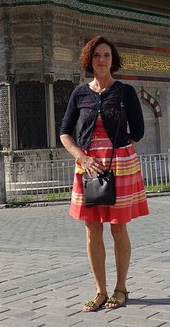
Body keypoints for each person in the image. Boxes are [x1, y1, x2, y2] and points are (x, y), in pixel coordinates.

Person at [59, 36, 148, 312]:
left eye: (107, 55)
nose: (102, 60)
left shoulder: (124, 92)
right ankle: (100, 291)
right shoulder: (80, 94)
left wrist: (117, 153)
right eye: (97, 55)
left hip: (118, 165)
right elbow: (64, 132)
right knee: (92, 229)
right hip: (87, 167)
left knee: (118, 227)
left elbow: (139, 131)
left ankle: (121, 288)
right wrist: (83, 157)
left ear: (113, 59)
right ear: (89, 59)